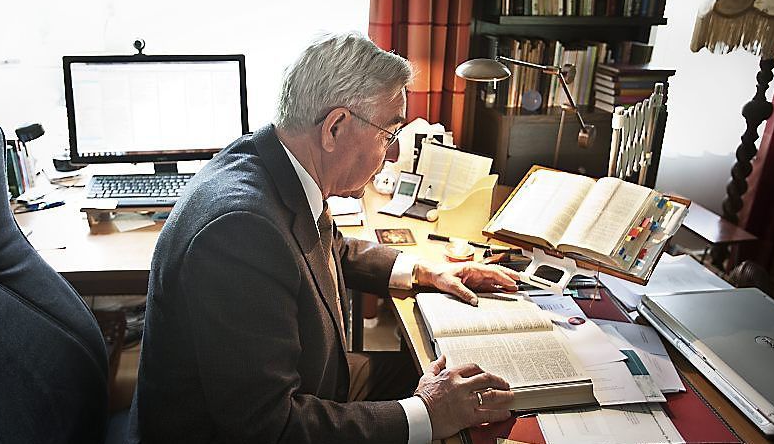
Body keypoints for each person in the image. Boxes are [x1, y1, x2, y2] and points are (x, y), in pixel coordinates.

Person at [129, 31, 519, 443]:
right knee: (452, 417)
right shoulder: (241, 232)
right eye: (389, 133)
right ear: (334, 127)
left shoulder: (274, 162)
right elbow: (270, 428)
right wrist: (426, 413)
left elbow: (326, 245)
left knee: (439, 376)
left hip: (308, 384)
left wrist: (422, 270)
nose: (391, 154)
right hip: (238, 430)